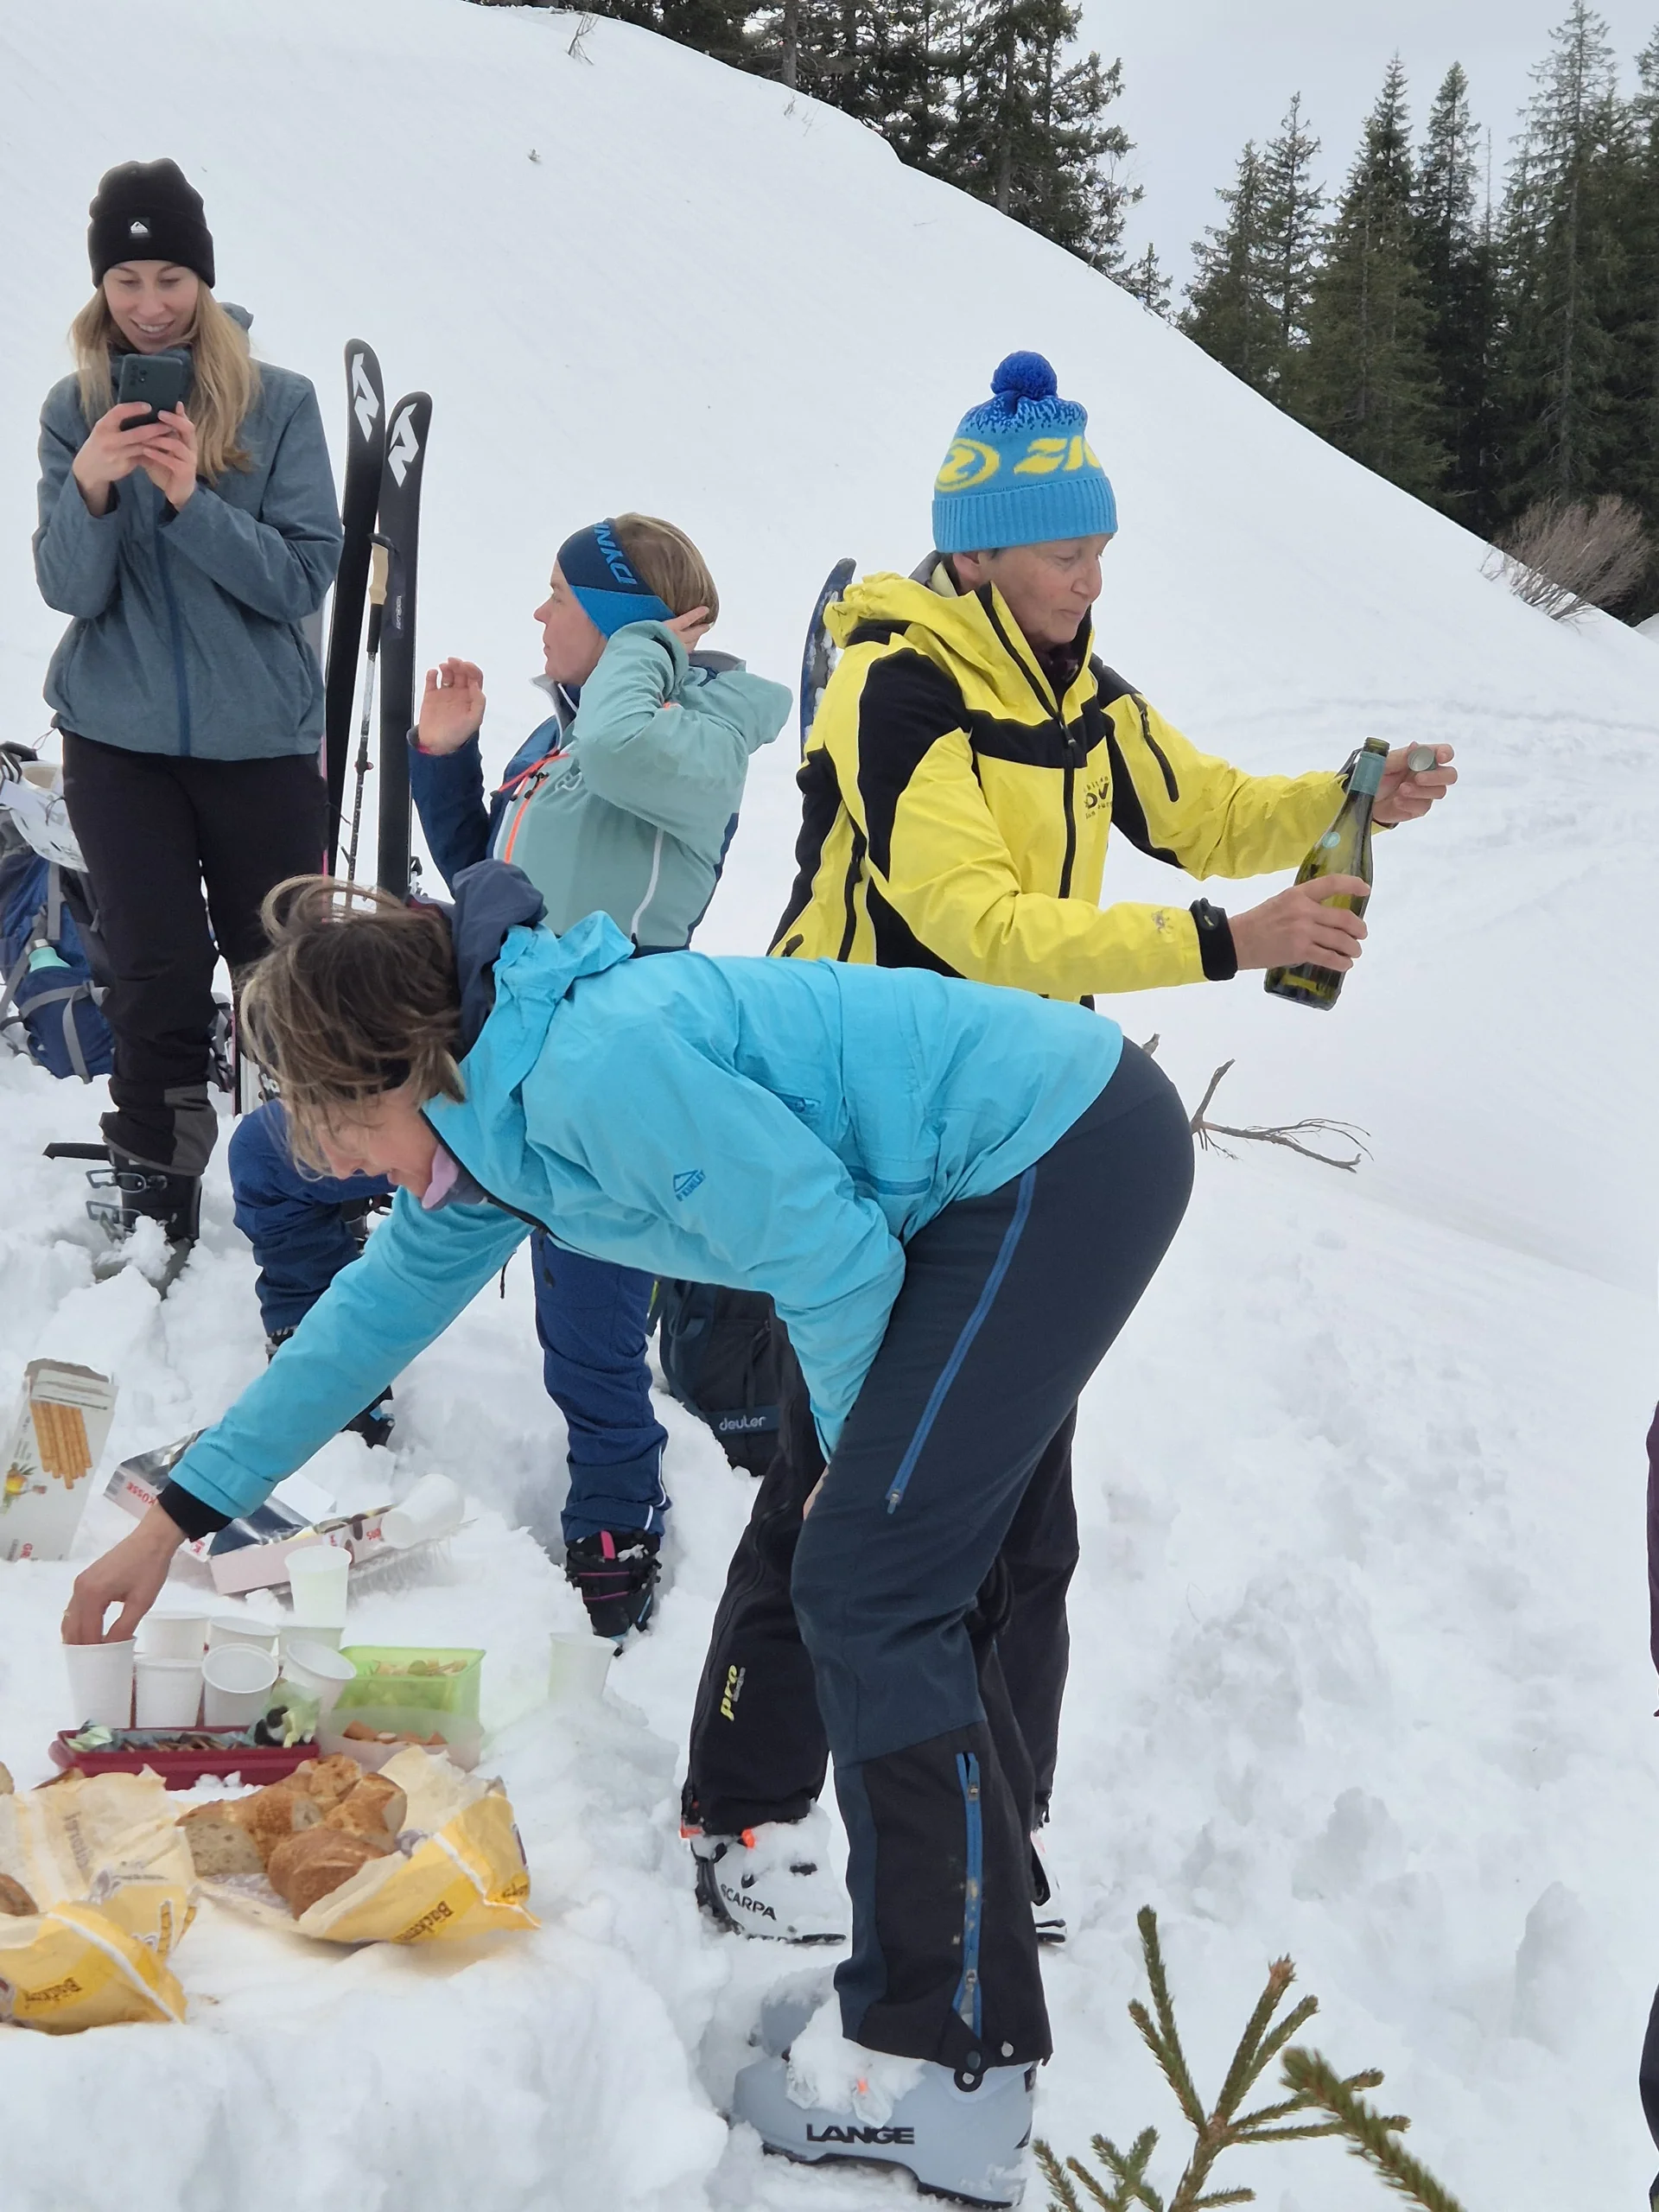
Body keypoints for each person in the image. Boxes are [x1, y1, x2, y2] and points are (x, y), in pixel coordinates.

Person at [64, 858, 1194, 2206]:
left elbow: (830, 1259)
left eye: (341, 1128)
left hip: (1051, 1158)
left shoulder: (590, 1068)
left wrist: (842, 1456)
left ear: (398, 1071)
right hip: (978, 1177)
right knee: (907, 1553)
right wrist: (177, 1514)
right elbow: (358, 1328)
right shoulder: (487, 1118)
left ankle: (948, 2063)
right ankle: (925, 1974)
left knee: (874, 1583)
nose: (348, 1163)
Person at [681, 349, 1458, 1944]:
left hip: (1003, 1145)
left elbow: (1215, 806)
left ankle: (987, 1833)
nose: (1089, 577)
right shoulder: (896, 684)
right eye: (1061, 553)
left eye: (1101, 548)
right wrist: (1229, 944)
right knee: (842, 1493)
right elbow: (976, 922)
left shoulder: (1081, 691)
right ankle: (743, 1813)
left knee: (1025, 1510)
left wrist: (1353, 793)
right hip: (867, 1141)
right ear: (975, 553)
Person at [226, 517, 789, 1633]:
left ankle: (614, 1526)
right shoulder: (568, 736)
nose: (539, 616)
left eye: (562, 598)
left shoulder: (694, 737)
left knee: (588, 1340)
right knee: (274, 1156)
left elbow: (632, 751)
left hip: (607, 1092)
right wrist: (449, 758)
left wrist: (645, 648)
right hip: (485, 1057)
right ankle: (323, 1354)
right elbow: (489, 880)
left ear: (628, 625)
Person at [32, 158, 342, 1251]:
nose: (150, 303)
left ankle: (314, 1175)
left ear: (203, 282)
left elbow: (301, 579)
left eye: (170, 277)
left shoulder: (281, 403)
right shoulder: (75, 411)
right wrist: (95, 489)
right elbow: (71, 589)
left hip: (258, 741)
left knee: (280, 967)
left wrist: (186, 499)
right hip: (116, 741)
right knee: (151, 961)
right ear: (100, 290)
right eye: (126, 279)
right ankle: (155, 1172)